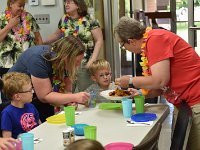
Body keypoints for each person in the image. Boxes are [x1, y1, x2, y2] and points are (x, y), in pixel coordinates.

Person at [114, 16, 200, 150]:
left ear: (130, 41)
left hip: (196, 99)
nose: (124, 48)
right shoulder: (149, 42)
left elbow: (160, 80)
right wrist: (139, 93)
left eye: (122, 45)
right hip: (183, 102)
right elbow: (163, 86)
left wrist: (130, 81)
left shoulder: (155, 39)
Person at [9, 35, 90, 122]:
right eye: (76, 61)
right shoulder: (39, 59)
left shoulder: (65, 62)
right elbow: (44, 96)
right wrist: (74, 97)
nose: (78, 65)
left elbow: (66, 91)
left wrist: (70, 101)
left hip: (37, 94)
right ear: (65, 57)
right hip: (17, 96)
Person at [44, 0, 103, 92]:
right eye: (65, 2)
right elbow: (57, 35)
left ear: (78, 5)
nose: (66, 4)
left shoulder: (90, 19)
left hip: (84, 62)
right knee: (67, 90)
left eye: (69, 2)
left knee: (86, 91)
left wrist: (92, 60)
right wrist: (41, 41)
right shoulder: (64, 19)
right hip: (67, 62)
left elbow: (99, 40)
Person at [0, 0, 43, 75]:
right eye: (19, 5)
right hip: (7, 63)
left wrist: (41, 56)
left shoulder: (28, 17)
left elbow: (38, 37)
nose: (22, 8)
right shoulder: (2, 18)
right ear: (11, 4)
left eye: (23, 6)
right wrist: (9, 25)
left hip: (28, 62)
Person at [1, 72, 41, 139]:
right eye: (30, 90)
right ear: (17, 96)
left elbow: (40, 126)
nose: (33, 92)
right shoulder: (7, 113)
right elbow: (7, 140)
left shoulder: (31, 106)